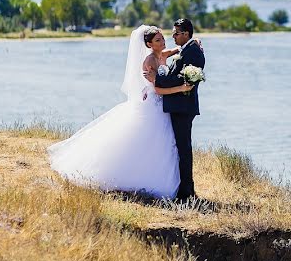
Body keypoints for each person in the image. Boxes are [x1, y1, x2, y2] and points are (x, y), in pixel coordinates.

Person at [47, 25, 194, 198]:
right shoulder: (149, 62)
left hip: (162, 107)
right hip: (154, 105)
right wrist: (181, 88)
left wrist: (194, 41)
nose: (162, 41)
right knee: (146, 141)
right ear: (149, 44)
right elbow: (159, 89)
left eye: (162, 38)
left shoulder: (162, 54)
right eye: (158, 40)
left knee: (164, 144)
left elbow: (179, 49)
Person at [147, 18, 206, 203]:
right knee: (180, 148)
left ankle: (186, 192)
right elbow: (176, 74)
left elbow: (182, 80)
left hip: (183, 107)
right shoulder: (186, 49)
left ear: (186, 34)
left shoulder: (193, 52)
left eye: (176, 33)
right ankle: (184, 188)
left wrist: (156, 79)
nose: (172, 36)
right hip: (178, 106)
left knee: (184, 149)